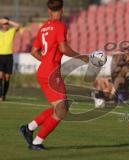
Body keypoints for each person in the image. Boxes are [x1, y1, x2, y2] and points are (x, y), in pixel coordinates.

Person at [19, 0, 89, 150]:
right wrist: (80, 56)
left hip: (43, 71)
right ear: (62, 10)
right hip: (51, 72)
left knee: (60, 107)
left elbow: (33, 52)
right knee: (62, 110)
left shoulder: (43, 28)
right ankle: (37, 141)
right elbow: (63, 47)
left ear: (49, 11)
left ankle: (29, 128)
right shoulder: (60, 26)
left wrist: (46, 62)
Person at [0, 17, 20, 101]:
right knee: (0, 76)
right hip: (0, 56)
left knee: (7, 78)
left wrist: (8, 21)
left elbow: (18, 26)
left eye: (7, 24)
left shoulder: (11, 31)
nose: (5, 25)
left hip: (9, 57)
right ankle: (0, 95)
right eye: (4, 24)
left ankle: (4, 95)